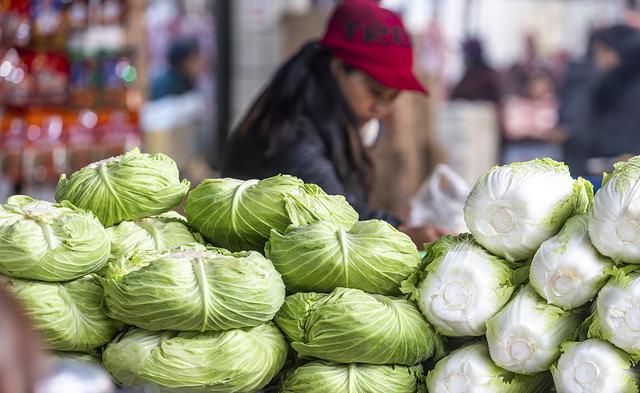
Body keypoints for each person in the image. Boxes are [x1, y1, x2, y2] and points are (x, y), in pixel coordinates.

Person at [222, 0, 449, 245]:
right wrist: (401, 232)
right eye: (375, 91)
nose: (381, 109)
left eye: (393, 96)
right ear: (338, 68)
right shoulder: (290, 131)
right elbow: (332, 211)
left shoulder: (342, 116)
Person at [563, 25, 640, 178]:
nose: (595, 58)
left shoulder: (625, 85)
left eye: (598, 51)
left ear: (612, 54)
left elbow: (619, 136)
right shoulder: (619, 81)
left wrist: (570, 134)